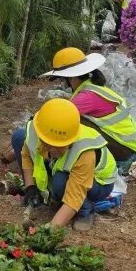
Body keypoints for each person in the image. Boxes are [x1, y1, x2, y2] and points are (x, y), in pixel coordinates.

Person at [11, 47, 136, 175]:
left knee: (71, 122)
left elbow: (54, 117)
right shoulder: (91, 88)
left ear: (70, 78)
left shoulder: (86, 97)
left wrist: (29, 131)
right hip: (126, 145)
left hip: (123, 149)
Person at [20, 98, 117, 231]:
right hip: (64, 171)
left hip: (99, 183)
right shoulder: (38, 128)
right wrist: (30, 187)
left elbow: (74, 197)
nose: (53, 149)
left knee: (60, 182)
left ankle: (86, 211)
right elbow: (26, 155)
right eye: (48, 144)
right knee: (18, 137)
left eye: (59, 146)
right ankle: (58, 198)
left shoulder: (84, 151)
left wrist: (49, 230)